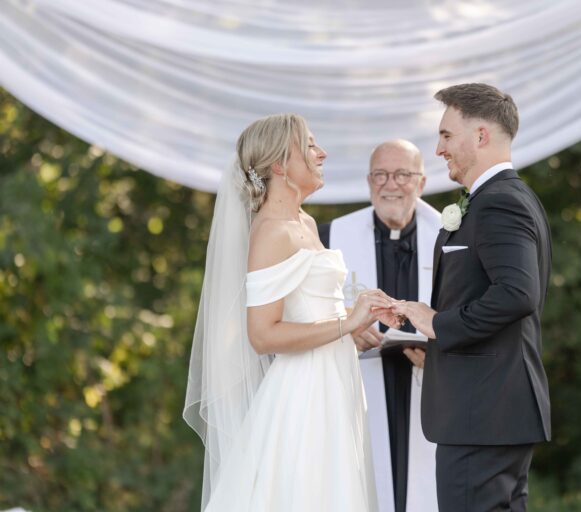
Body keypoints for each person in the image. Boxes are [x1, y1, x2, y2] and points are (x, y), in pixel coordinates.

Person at [183, 113, 392, 511]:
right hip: (305, 388)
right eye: (310, 145)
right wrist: (345, 323)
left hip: (335, 377)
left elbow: (304, 310)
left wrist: (357, 319)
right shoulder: (271, 231)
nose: (322, 153)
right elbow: (262, 335)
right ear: (279, 164)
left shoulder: (305, 221)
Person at [393, 83, 552, 512]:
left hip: (484, 414)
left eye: (446, 135)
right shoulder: (499, 199)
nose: (439, 148)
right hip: (490, 411)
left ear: (480, 136)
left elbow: (518, 294)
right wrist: (437, 347)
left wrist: (437, 324)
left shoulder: (500, 203)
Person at [319, 140, 441, 512]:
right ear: (369, 182)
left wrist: (442, 353)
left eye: (403, 174)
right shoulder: (329, 239)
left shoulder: (451, 238)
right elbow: (303, 316)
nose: (391, 184)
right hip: (358, 386)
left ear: (420, 183)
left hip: (429, 386)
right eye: (381, 175)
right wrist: (345, 329)